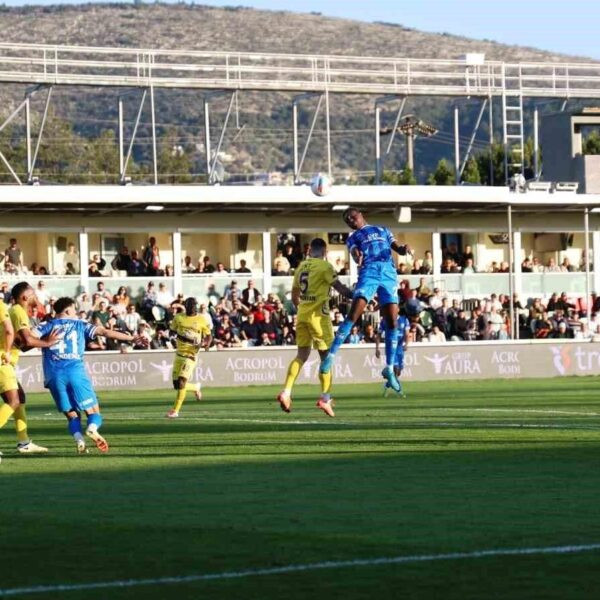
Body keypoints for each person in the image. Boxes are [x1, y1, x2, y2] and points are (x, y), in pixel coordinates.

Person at [319, 208, 411, 393]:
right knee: (354, 313)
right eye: (348, 220)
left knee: (392, 321)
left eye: (353, 216)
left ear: (361, 214)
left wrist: (403, 249)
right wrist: (356, 256)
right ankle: (331, 355)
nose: (351, 220)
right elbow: (354, 252)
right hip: (369, 271)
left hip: (388, 273)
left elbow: (396, 246)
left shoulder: (382, 230)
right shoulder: (353, 237)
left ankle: (390, 368)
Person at [33, 297, 138, 454]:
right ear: (67, 311)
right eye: (74, 309)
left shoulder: (46, 325)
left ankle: (79, 440)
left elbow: (27, 337)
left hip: (53, 376)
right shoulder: (80, 324)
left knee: (71, 415)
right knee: (94, 412)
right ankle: (92, 429)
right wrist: (131, 338)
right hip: (75, 372)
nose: (76, 312)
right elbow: (105, 332)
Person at [277, 238, 352, 418]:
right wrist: (359, 295)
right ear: (325, 252)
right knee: (327, 357)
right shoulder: (325, 267)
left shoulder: (301, 267)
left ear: (310, 250)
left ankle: (286, 392)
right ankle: (325, 399)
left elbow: (294, 295)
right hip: (319, 318)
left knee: (301, 355)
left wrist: (303, 307)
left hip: (302, 315)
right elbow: (340, 288)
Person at [0, 282, 62, 455]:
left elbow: (22, 345)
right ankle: (23, 442)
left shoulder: (14, 312)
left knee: (19, 399)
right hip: (2, 363)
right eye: (33, 294)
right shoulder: (18, 311)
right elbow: (27, 340)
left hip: (6, 363)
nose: (36, 297)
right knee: (14, 401)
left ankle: (24, 442)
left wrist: (42, 337)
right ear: (25, 297)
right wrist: (47, 343)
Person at [166, 297, 213, 419]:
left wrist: (206, 344)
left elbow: (208, 336)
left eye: (194, 306)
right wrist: (171, 339)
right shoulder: (179, 318)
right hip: (179, 354)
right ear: (186, 306)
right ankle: (195, 387)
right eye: (190, 306)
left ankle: (175, 411)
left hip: (191, 355)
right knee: (177, 385)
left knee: (182, 382)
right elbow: (171, 331)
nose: (193, 308)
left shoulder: (201, 319)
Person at [374, 305, 410, 396]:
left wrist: (406, 344)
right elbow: (378, 335)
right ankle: (399, 390)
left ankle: (387, 385)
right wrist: (377, 348)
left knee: (399, 371)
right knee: (395, 369)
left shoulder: (404, 320)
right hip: (390, 348)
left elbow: (407, 334)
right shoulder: (385, 320)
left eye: (396, 308)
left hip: (400, 348)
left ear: (397, 309)